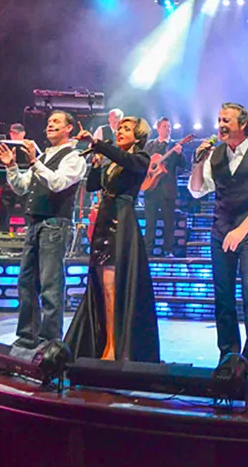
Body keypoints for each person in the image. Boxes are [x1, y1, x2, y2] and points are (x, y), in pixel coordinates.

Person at [188, 102, 248, 371]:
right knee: (223, 296)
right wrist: (198, 162)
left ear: (242, 125)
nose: (221, 125)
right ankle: (228, 354)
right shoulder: (215, 155)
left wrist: (241, 231)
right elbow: (196, 190)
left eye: (227, 120)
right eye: (219, 120)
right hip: (221, 230)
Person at [65, 117, 160, 361]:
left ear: (138, 137)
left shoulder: (140, 158)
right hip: (103, 223)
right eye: (119, 129)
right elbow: (92, 186)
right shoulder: (112, 162)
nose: (120, 132)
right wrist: (96, 162)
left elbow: (125, 160)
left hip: (122, 223)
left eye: (126, 129)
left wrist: (97, 143)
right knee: (102, 287)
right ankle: (103, 342)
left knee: (113, 288)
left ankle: (115, 345)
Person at [0, 111, 87, 349]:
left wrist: (35, 162)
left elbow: (58, 183)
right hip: (34, 223)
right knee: (26, 282)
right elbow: (23, 187)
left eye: (56, 122)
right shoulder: (45, 155)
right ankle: (27, 336)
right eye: (48, 122)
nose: (50, 125)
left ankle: (49, 341)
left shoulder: (74, 156)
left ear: (69, 128)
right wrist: (12, 166)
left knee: (50, 284)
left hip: (55, 224)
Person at [142, 117, 185, 257]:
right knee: (150, 222)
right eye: (165, 126)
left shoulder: (174, 145)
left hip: (168, 189)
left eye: (169, 126)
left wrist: (179, 155)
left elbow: (183, 166)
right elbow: (142, 162)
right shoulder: (149, 145)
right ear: (158, 128)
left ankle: (168, 250)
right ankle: (147, 250)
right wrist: (148, 170)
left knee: (169, 222)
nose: (168, 129)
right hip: (150, 188)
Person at [0, 124, 29, 234]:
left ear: (23, 133)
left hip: (26, 183)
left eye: (16, 133)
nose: (13, 135)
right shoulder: (5, 146)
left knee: (28, 206)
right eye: (12, 133)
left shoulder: (29, 146)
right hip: (8, 184)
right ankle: (3, 232)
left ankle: (28, 230)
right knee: (2, 208)